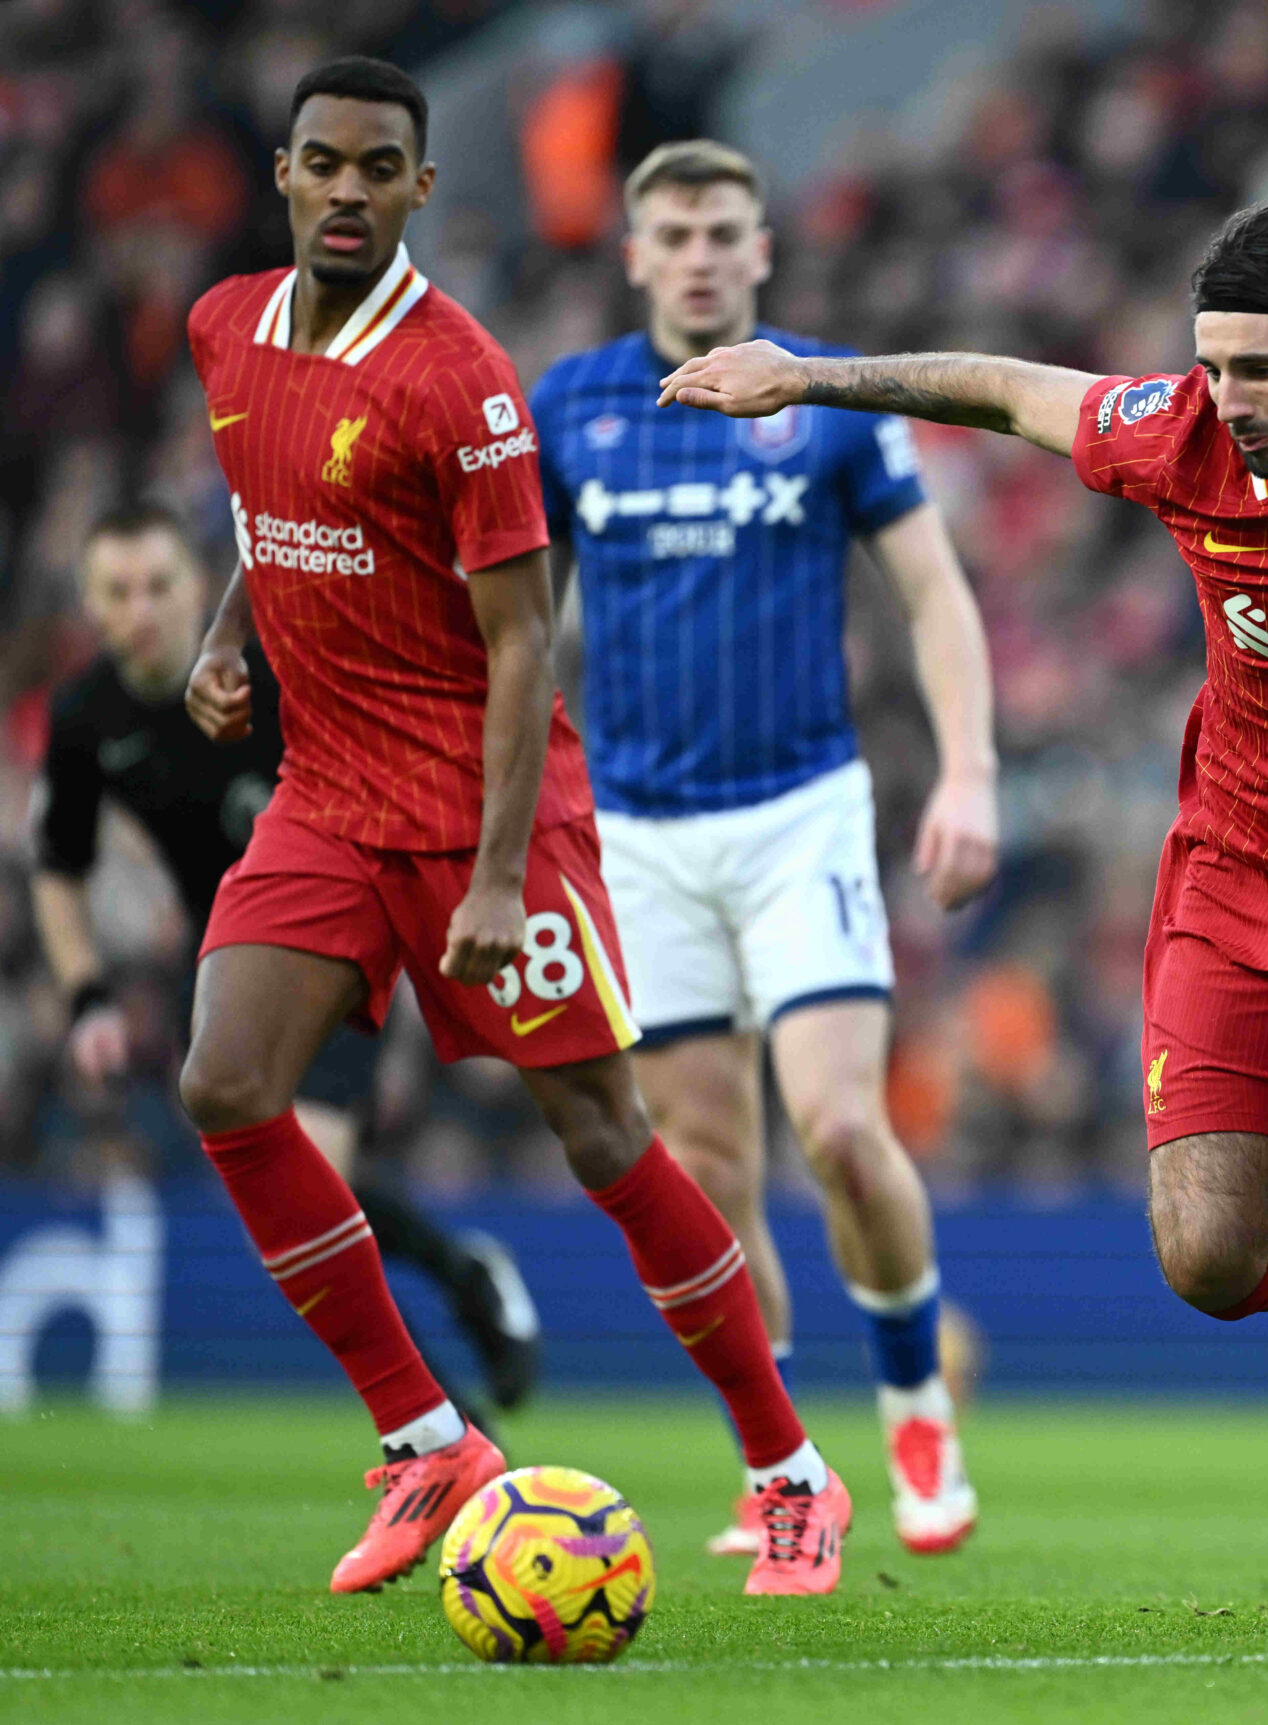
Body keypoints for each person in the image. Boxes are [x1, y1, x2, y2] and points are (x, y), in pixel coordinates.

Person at [663, 196, 1268, 1627]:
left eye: (1256, 371)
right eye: (1209, 366)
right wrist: (807, 372)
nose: (1226, 401)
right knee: (1207, 1262)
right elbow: (1004, 387)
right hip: (1238, 875)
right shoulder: (1182, 437)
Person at [179, 56, 846, 1597]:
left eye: (379, 169)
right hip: (329, 797)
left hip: (486, 809)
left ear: (421, 188)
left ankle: (789, 1469)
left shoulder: (459, 378)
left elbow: (527, 641)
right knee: (224, 1083)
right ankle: (426, 1437)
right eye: (323, 162)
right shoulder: (225, 327)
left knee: (607, 1137)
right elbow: (265, 507)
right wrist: (230, 635)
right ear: (281, 173)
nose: (347, 190)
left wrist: (492, 875)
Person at [533, 138, 995, 1558]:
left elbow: (932, 595)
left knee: (844, 1132)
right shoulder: (570, 407)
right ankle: (781, 1464)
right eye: (670, 232)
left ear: (761, 247)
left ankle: (917, 1402)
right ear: (633, 254)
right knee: (709, 1166)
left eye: (723, 229)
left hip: (801, 814)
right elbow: (515, 628)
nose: (697, 253)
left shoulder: (828, 396)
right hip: (640, 833)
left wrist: (970, 770)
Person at [34, 502, 540, 1433]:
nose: (140, 608)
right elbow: (58, 870)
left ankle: (449, 1433)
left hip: (346, 922)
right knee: (299, 1193)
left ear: (200, 585)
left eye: (158, 585)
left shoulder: (274, 665)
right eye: (116, 591)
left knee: (306, 1168)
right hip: (226, 957)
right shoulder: (86, 716)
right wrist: (86, 995)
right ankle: (464, 1281)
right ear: (90, 605)